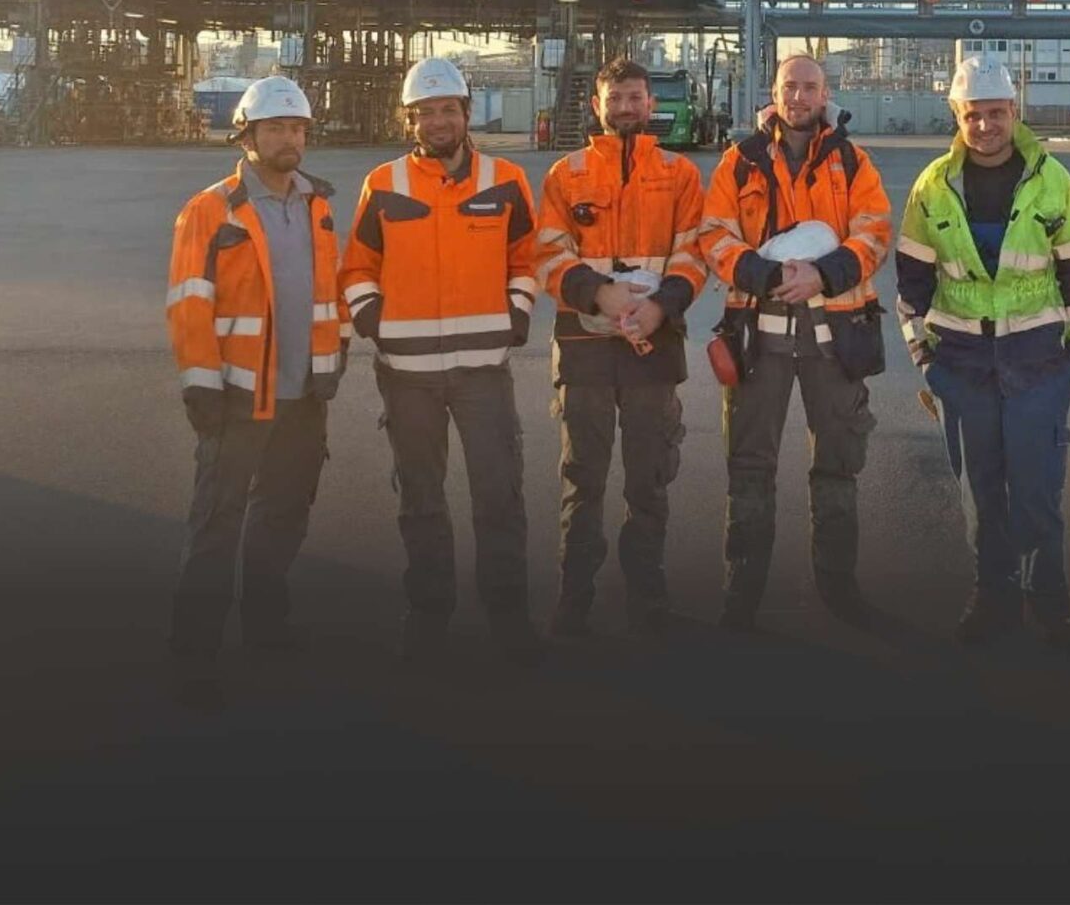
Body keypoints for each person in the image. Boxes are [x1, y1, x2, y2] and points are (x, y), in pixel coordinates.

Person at [338, 58, 544, 665]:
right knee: (421, 501)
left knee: (499, 496)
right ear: (411, 119)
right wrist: (372, 318)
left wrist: (518, 311)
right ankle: (429, 614)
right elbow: (357, 267)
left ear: (466, 111)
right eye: (425, 112)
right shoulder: (385, 183)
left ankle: (507, 616)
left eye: (447, 109)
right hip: (408, 378)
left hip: (483, 371)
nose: (437, 121)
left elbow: (526, 257)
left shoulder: (504, 179)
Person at [894, 55, 1070, 649]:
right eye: (973, 115)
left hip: (1037, 359)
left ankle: (1050, 605)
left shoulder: (1053, 179)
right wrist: (925, 359)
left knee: (1037, 491)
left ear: (1014, 111)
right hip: (960, 363)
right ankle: (993, 595)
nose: (985, 125)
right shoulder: (933, 186)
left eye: (995, 113)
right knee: (980, 491)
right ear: (956, 115)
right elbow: (911, 281)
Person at [165, 76, 349, 690]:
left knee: (283, 515)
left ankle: (266, 628)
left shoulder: (317, 205)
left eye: (297, 128)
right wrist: (201, 384)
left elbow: (332, 291)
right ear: (246, 135)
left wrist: (336, 355)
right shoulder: (210, 210)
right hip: (239, 395)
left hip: (303, 398)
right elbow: (189, 302)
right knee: (216, 523)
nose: (289, 138)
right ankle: (194, 658)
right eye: (275, 128)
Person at [698, 55, 892, 631]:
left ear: (826, 92)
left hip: (835, 342)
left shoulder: (854, 162)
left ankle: (838, 587)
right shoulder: (740, 162)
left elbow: (876, 232)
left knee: (837, 465)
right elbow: (714, 234)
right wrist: (761, 275)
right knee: (749, 466)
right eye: (790, 87)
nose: (799, 96)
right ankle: (743, 590)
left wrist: (824, 275)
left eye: (810, 87)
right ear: (775, 93)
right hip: (760, 339)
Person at [533, 57, 707, 637]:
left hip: (653, 344)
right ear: (598, 106)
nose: (627, 108)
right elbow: (548, 253)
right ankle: (573, 597)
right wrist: (600, 295)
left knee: (649, 477)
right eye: (617, 99)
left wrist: (659, 308)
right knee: (582, 478)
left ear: (650, 105)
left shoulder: (680, 174)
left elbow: (693, 253)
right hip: (584, 343)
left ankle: (646, 597)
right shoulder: (567, 173)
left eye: (636, 98)